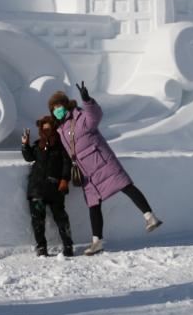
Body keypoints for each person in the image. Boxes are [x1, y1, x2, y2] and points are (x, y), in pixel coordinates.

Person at [51, 82, 161, 256]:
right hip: (86, 173)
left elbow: (95, 116)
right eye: (54, 107)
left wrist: (87, 101)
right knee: (93, 205)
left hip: (102, 162)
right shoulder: (60, 129)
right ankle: (97, 242)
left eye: (59, 105)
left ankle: (150, 217)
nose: (57, 109)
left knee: (126, 186)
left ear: (65, 105)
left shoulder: (80, 116)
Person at [20, 115, 75, 257]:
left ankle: (68, 245)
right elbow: (29, 157)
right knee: (37, 220)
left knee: (61, 218)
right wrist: (25, 144)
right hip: (37, 189)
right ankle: (41, 247)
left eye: (49, 129)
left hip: (55, 189)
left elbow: (66, 164)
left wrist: (64, 180)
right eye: (44, 129)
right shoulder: (38, 144)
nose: (46, 131)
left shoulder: (61, 146)